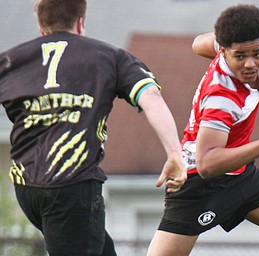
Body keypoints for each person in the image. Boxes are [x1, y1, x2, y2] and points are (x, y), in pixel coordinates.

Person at [0, 0, 187, 255]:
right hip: (71, 185)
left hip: (26, 187)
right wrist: (175, 152)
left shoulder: (11, 60)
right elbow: (150, 96)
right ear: (80, 22)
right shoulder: (109, 57)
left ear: (41, 27)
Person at [147, 4, 259, 256]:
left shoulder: (227, 48)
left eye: (257, 54)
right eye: (241, 56)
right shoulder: (222, 98)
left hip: (240, 176)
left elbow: (197, 44)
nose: (250, 64)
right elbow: (208, 164)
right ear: (226, 52)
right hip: (198, 184)